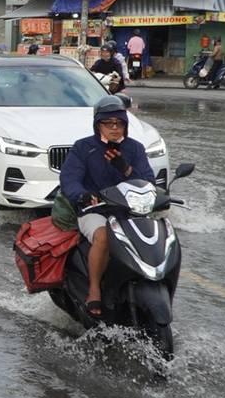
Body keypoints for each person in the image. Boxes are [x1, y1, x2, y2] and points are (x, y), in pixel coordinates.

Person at [59, 97, 155, 320]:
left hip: (129, 212)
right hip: (95, 211)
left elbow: (149, 183)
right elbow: (69, 180)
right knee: (103, 236)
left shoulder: (135, 148)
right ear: (98, 125)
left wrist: (126, 169)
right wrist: (83, 196)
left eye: (119, 123)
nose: (114, 127)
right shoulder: (83, 148)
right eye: (108, 123)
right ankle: (94, 289)